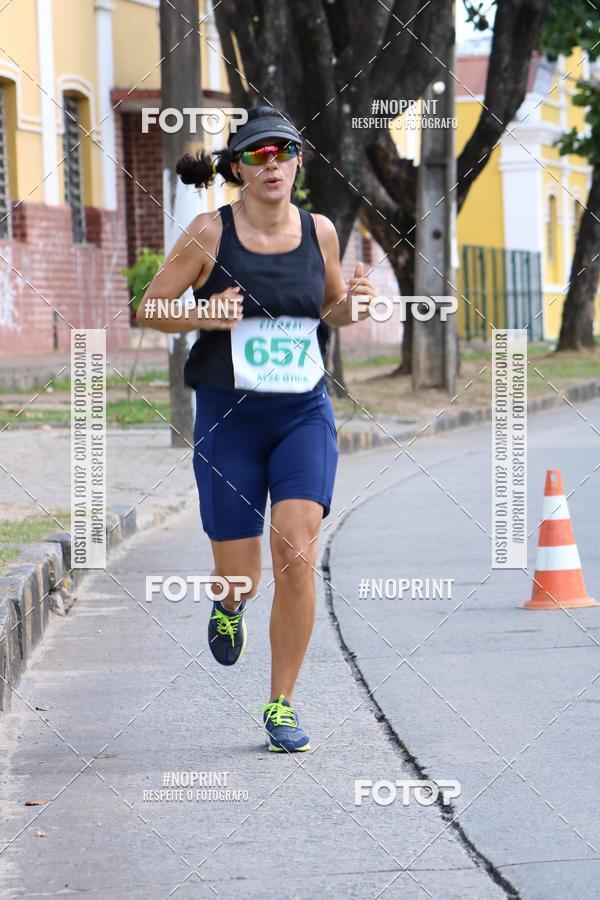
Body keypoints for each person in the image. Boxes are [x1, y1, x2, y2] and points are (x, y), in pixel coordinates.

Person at [137, 106, 375, 753]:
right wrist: (204, 316)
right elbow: (149, 308)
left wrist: (352, 304)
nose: (272, 163)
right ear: (239, 167)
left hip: (302, 413)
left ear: (299, 161)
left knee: (296, 553)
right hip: (229, 418)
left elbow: (327, 306)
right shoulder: (209, 234)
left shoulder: (320, 231)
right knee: (240, 574)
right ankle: (229, 604)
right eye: (258, 154)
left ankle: (280, 705)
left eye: (284, 151)